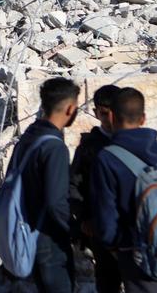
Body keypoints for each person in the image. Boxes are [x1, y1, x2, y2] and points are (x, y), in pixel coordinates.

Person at [91, 87, 157, 293]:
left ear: (112, 117)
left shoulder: (107, 158)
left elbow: (106, 212)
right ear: (143, 118)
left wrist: (114, 244)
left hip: (134, 249)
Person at [6, 77, 79, 292]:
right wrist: (76, 231)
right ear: (70, 108)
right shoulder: (55, 147)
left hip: (27, 232)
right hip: (49, 239)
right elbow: (56, 202)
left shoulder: (30, 136)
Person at [69, 84, 122, 293]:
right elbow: (74, 185)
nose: (110, 119)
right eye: (104, 113)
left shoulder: (131, 141)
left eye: (114, 112)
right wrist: (84, 217)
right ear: (96, 112)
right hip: (101, 228)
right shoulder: (89, 147)